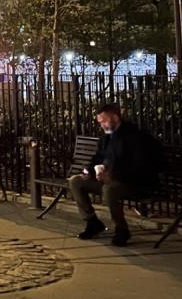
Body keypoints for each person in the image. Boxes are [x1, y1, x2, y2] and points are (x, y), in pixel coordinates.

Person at [67, 103, 163, 247]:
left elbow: (141, 167)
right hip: (111, 179)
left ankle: (122, 230)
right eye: (100, 122)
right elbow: (98, 158)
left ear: (116, 118)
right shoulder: (106, 137)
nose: (102, 125)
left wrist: (113, 175)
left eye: (104, 121)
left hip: (134, 183)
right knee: (76, 181)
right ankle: (92, 222)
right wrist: (89, 171)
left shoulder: (135, 137)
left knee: (109, 189)